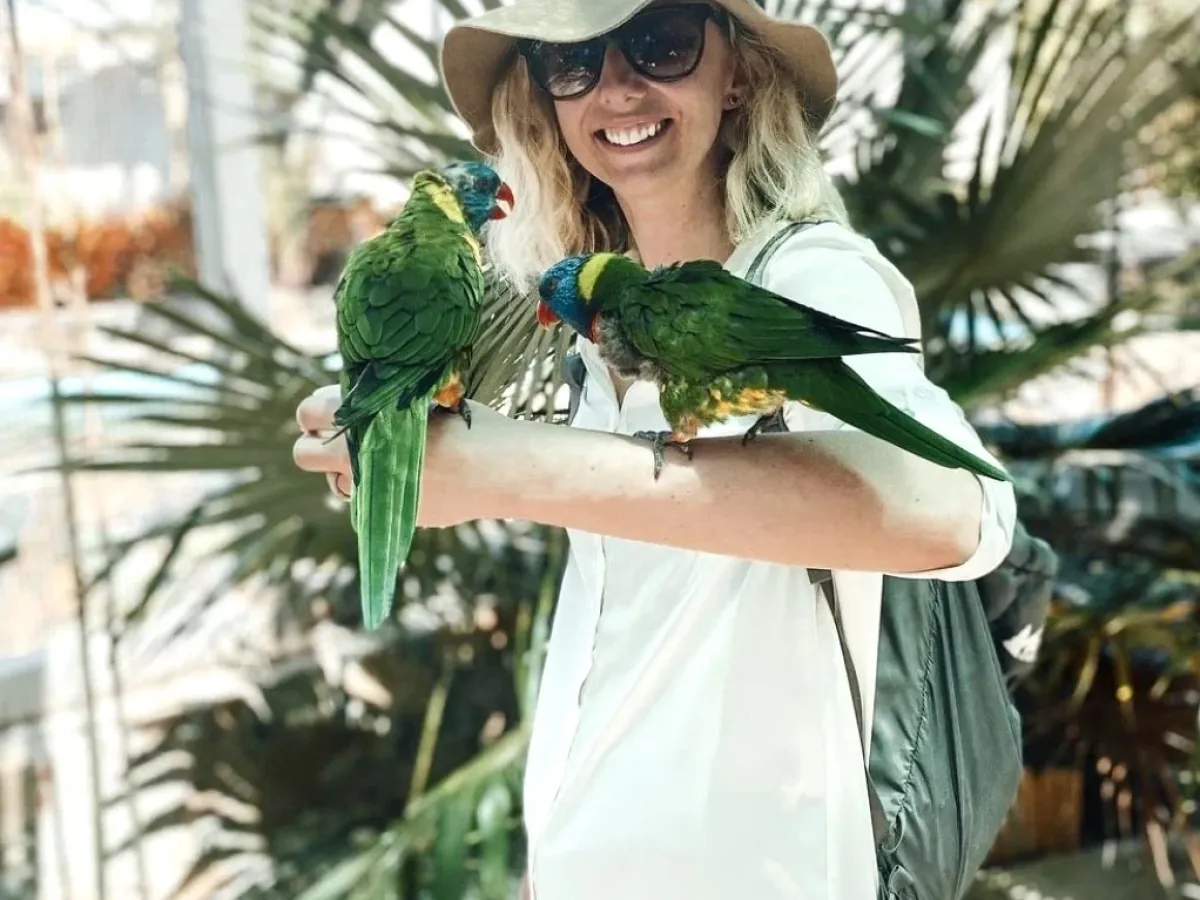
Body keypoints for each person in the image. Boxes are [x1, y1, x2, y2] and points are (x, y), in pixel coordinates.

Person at [292, 1, 1017, 897]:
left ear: (739, 73)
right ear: (547, 102)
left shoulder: (808, 276)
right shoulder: (587, 333)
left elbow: (950, 515)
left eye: (661, 42)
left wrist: (515, 471)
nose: (617, 85)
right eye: (573, 61)